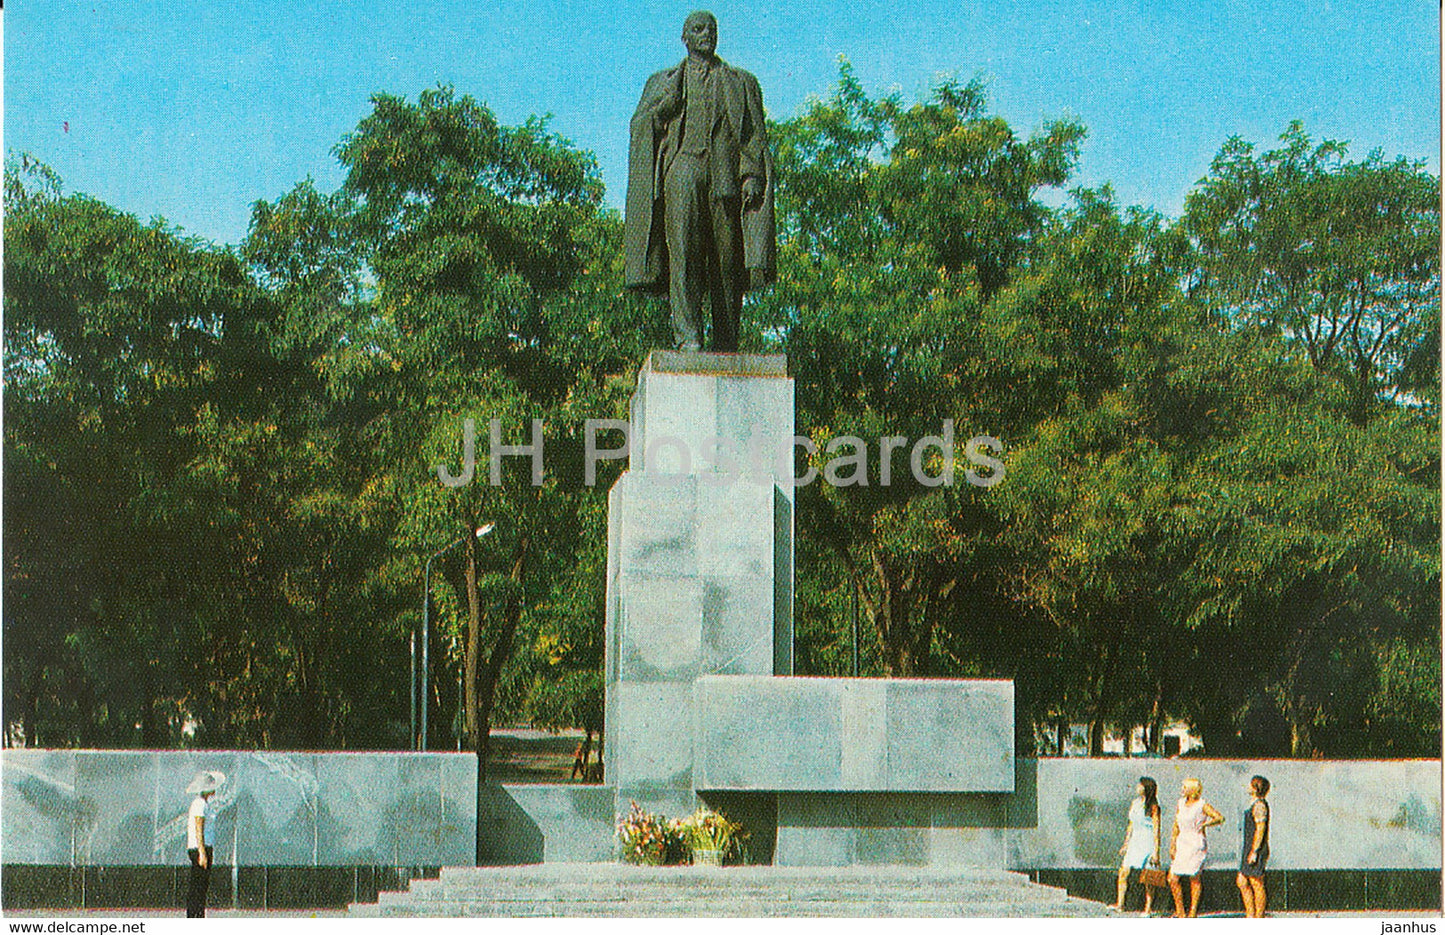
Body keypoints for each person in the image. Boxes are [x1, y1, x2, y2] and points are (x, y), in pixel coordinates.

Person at [624, 10, 776, 352]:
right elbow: (640, 126)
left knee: (727, 260)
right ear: (685, 38)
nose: (706, 34)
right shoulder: (662, 82)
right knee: (684, 255)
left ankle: (726, 340)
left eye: (711, 29)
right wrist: (662, 110)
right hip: (682, 169)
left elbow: (753, 135)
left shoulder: (741, 82)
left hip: (724, 174)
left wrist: (752, 173)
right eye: (698, 29)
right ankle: (688, 337)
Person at [1168, 777, 1224, 917]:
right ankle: (1180, 911)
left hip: (1195, 843)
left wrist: (1205, 824)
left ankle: (1193, 911)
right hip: (1182, 841)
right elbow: (1176, 825)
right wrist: (1172, 844)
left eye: (1184, 787)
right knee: (1172, 878)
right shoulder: (1180, 803)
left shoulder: (1201, 805)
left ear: (1192, 789)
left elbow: (1219, 817)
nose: (1182, 789)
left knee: (1194, 877)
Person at [1114, 777, 1162, 913]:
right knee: (1123, 872)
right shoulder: (1135, 803)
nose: (1137, 787)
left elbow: (1156, 829)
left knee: (1148, 877)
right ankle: (1120, 904)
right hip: (1135, 841)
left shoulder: (1153, 807)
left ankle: (1148, 908)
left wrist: (1156, 851)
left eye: (1140, 785)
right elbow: (1131, 825)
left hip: (1147, 841)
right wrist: (1126, 843)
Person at [185, 770, 224, 918]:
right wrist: (202, 852)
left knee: (201, 884)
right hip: (200, 848)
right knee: (198, 884)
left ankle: (198, 914)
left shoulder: (204, 803)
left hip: (203, 847)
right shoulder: (199, 804)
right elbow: (198, 826)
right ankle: (195, 916)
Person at [1236, 775, 1271, 918]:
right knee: (1242, 881)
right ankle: (1250, 913)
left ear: (1256, 788)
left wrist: (1255, 851)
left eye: (1251, 785)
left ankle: (1259, 915)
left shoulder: (1259, 806)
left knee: (1256, 882)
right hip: (1249, 848)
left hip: (1256, 849)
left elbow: (1260, 829)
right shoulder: (1254, 804)